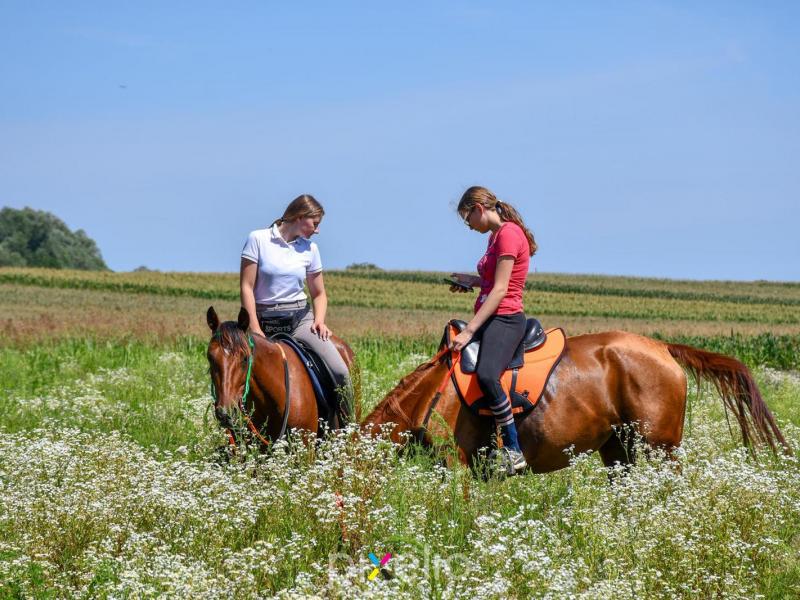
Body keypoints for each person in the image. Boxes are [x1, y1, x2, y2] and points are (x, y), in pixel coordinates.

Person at [449, 186, 537, 475]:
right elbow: (491, 281)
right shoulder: (494, 237)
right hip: (491, 315)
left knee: (487, 374)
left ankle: (513, 450)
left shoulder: (509, 234)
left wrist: (469, 331)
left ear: (478, 208)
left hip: (506, 318)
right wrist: (470, 281)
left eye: (467, 218)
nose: (468, 225)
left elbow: (501, 291)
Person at [240, 194, 351, 421]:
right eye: (315, 223)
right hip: (262, 321)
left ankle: (349, 433)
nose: (317, 230)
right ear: (301, 217)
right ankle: (233, 434)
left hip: (299, 321)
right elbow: (246, 287)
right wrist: (254, 327)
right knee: (231, 370)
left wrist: (319, 320)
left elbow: (319, 294)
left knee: (340, 371)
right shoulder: (258, 239)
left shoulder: (311, 249)